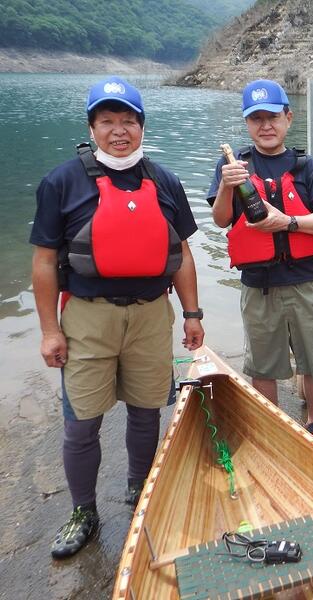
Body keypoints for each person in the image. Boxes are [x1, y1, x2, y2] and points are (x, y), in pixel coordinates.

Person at [30, 76, 205, 559]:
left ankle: (138, 488)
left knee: (147, 410)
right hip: (88, 317)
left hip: (152, 314)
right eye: (107, 121)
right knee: (81, 421)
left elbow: (183, 253)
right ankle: (83, 511)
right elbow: (44, 261)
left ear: (142, 126)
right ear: (92, 127)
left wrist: (192, 314)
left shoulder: (165, 181)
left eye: (129, 120)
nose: (119, 130)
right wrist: (48, 330)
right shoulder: (62, 182)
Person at [207, 79, 313, 452]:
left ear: (288, 117)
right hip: (258, 284)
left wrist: (288, 223)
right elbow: (220, 221)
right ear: (247, 124)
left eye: (273, 117)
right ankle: (272, 424)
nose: (266, 125)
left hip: (304, 280)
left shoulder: (306, 166)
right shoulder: (231, 166)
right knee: (263, 364)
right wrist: (226, 188)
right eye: (257, 118)